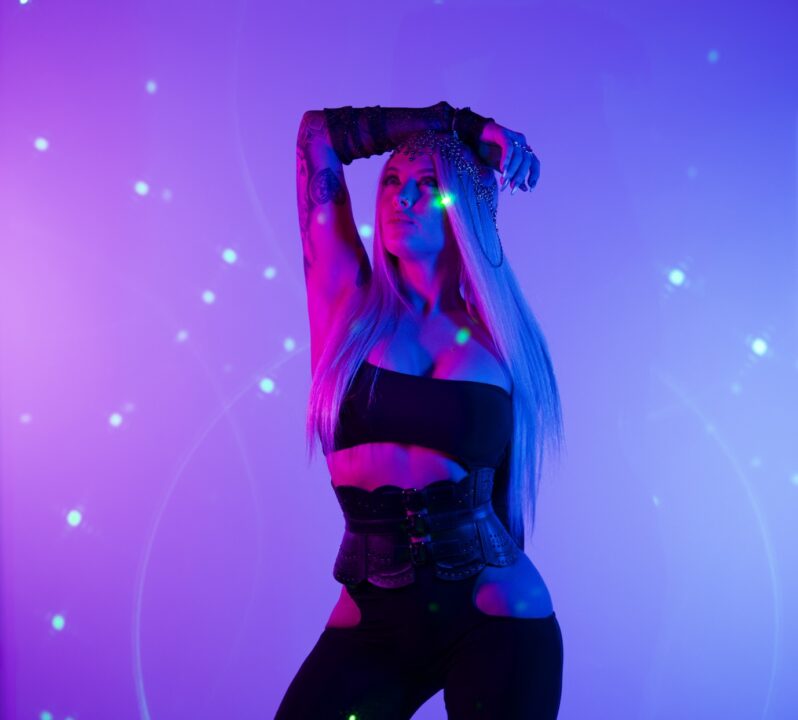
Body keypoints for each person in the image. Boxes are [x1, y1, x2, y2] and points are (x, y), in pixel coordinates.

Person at [276, 102, 565, 719]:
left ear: (465, 211)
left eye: (428, 186)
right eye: (391, 182)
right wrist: (461, 125)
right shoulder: (346, 308)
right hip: (373, 621)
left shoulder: (501, 339)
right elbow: (317, 135)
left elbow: (505, 497)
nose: (401, 198)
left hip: (497, 617)